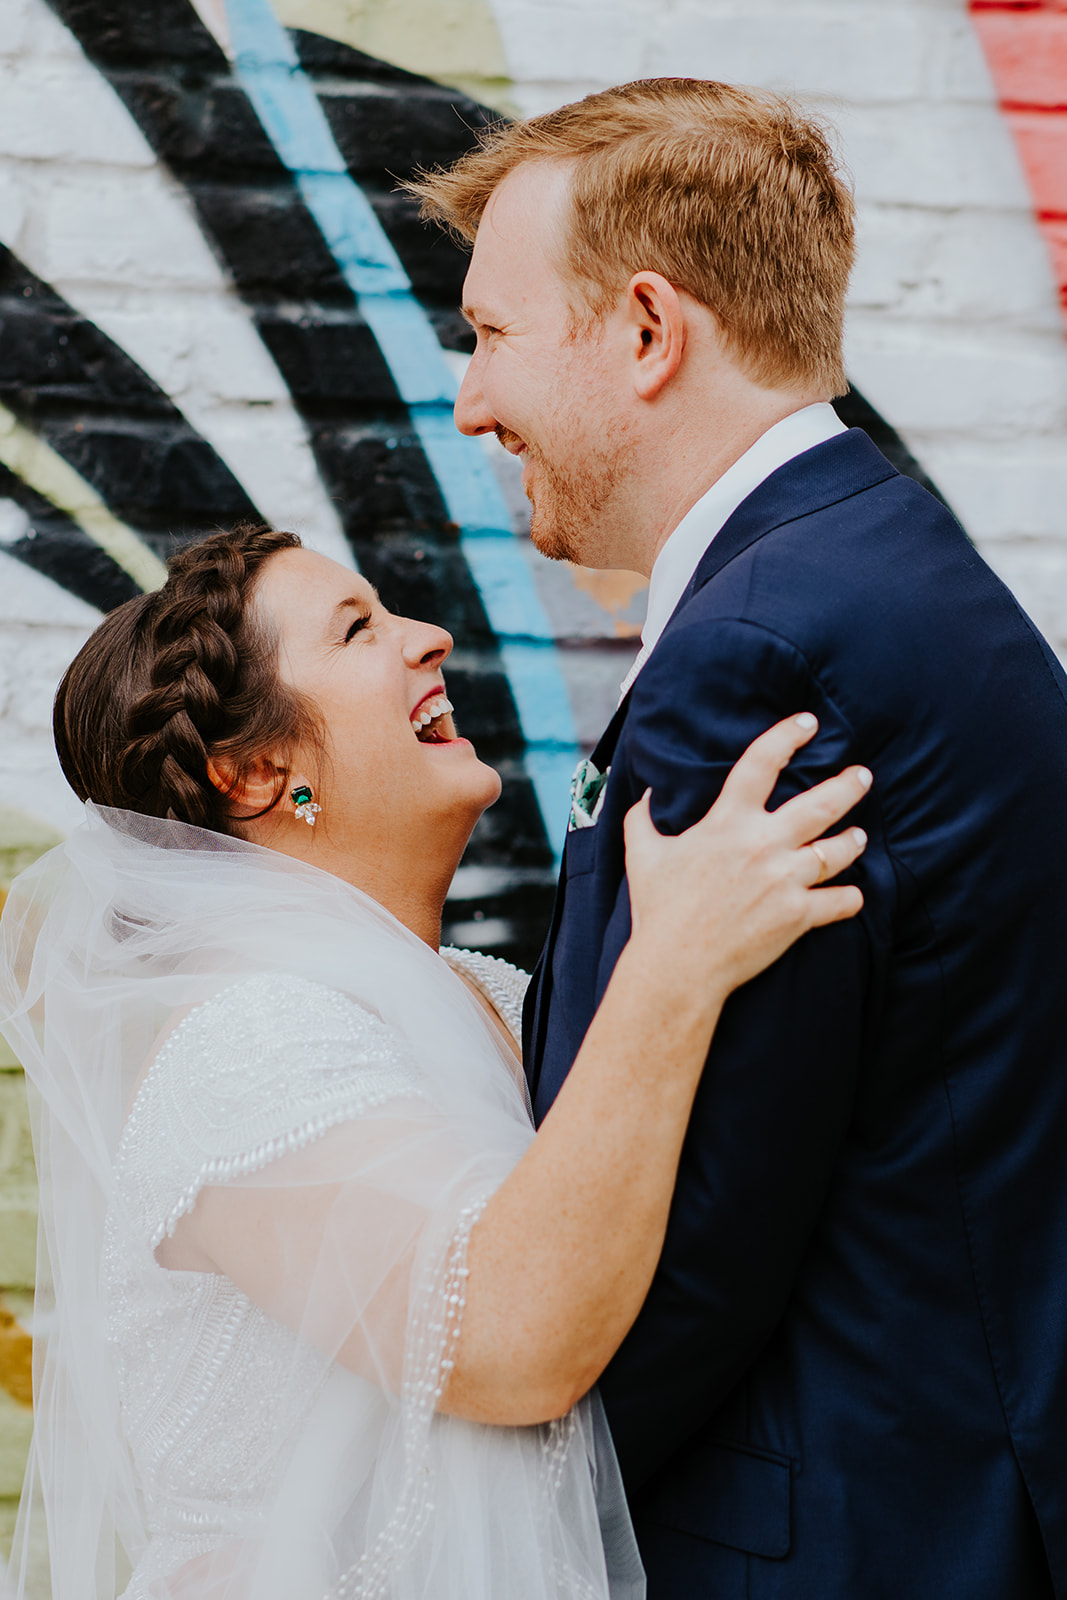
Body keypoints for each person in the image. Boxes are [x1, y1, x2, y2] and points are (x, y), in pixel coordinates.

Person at [410, 77, 1067, 1598]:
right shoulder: (872, 562)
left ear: (645, 331)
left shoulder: (756, 651)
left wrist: (502, 1521)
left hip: (835, 1536)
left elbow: (694, 1233)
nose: (467, 400)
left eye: (492, 335)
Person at [0, 524, 868, 1600]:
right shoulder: (246, 1042)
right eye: (359, 628)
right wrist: (675, 962)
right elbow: (507, 1338)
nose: (430, 637)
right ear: (261, 771)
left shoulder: (492, 996)